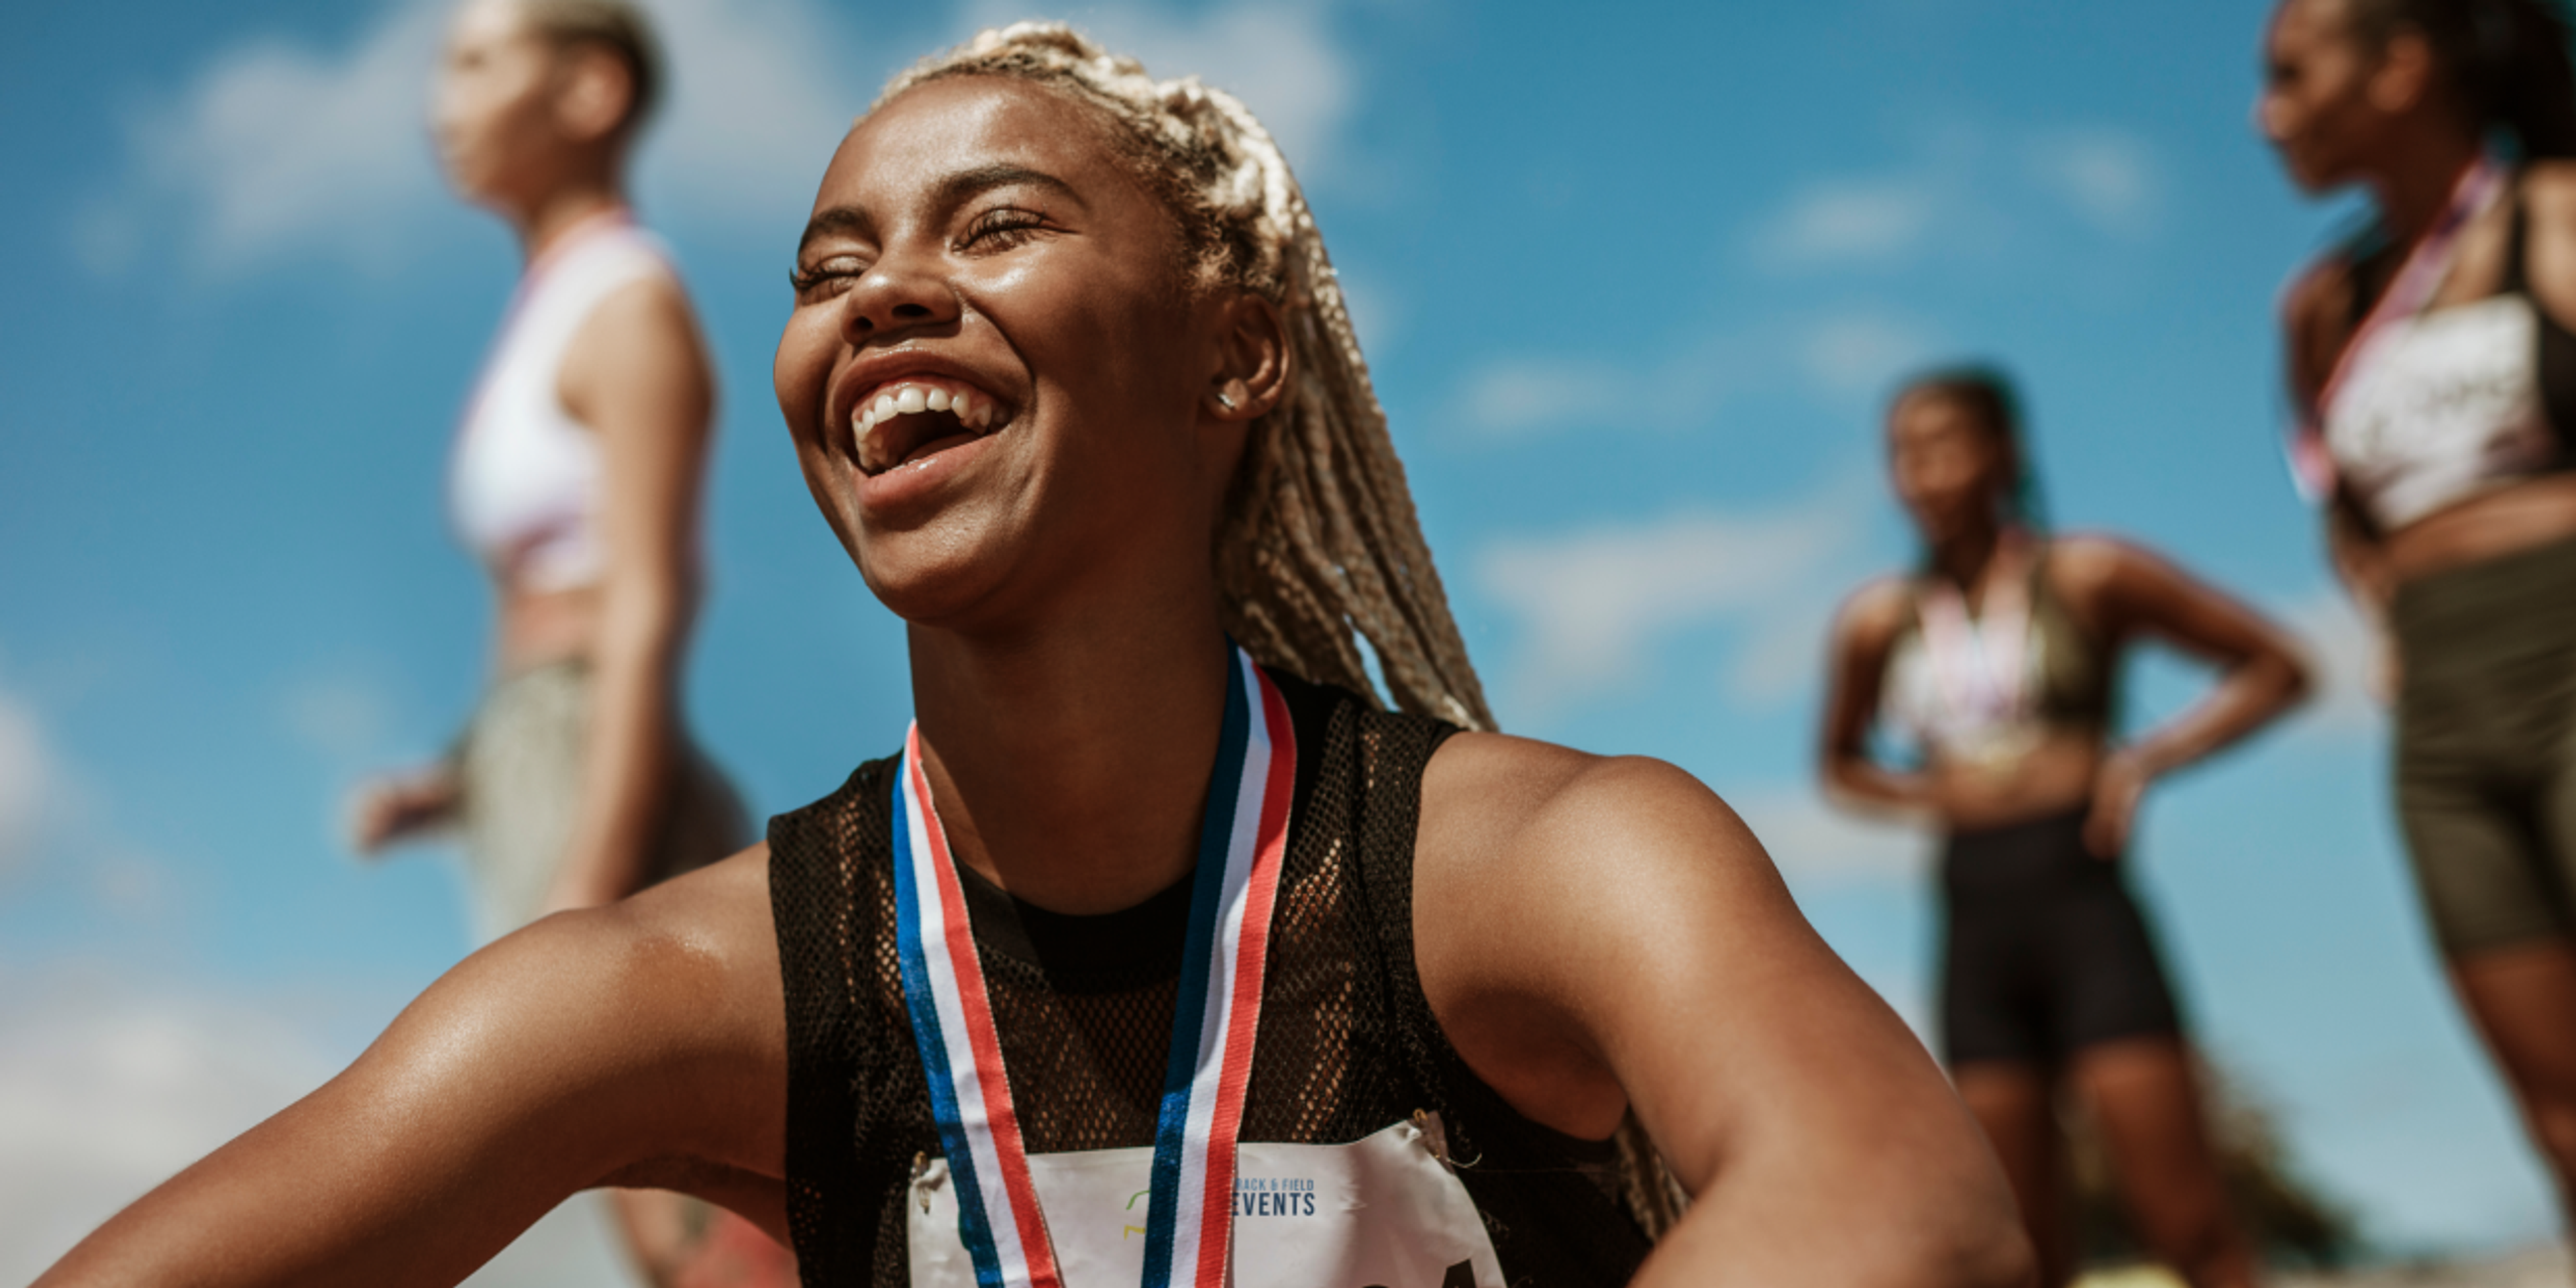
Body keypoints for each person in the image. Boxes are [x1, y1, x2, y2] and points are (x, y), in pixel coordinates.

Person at [38, 25, 2035, 1288]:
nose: (887, 291)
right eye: (830, 270)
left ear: (1236, 353)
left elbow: (1911, 1218)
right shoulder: (702, 979)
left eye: (996, 225)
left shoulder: (1537, 865)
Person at [342, 1, 788, 1283]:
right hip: (534, 749)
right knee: (654, 1189)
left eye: (477, 61)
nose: (441, 98)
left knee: (676, 1187)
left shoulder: (626, 303)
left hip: (598, 750)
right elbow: (535, 594)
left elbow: (646, 597)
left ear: (591, 90)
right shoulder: (548, 307)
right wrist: (459, 780)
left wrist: (587, 873)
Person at [1818, 369, 2309, 1288]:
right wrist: (1936, 797)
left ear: (2005, 453)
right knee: (2020, 1253)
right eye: (1903, 453)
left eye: (1946, 444)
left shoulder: (2090, 574)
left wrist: (2145, 760)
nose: (1923, 473)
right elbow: (1839, 763)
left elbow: (2277, 666)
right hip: (1974, 917)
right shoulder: (1878, 621)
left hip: (2085, 903)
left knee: (2191, 1225)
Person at [2262, 0, 2576, 1238]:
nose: (2263, 110)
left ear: (2399, 67)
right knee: (2554, 1109)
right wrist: (2387, 613)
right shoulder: (2322, 306)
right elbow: (2340, 508)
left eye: (2290, 72)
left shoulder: (2551, 218)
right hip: (2444, 727)